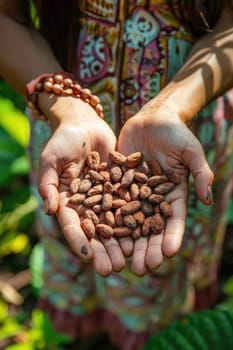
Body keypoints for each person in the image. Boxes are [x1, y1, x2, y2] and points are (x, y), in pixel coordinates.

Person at [0, 1, 233, 349]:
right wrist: (67, 108)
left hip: (184, 134)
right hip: (68, 138)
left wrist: (173, 106)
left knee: (164, 275)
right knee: (78, 248)